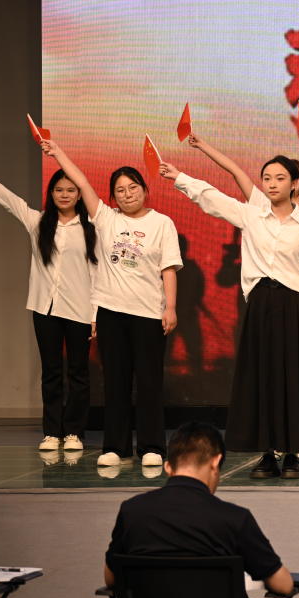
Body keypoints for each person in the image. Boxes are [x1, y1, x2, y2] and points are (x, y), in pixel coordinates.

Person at [160, 155, 299, 479]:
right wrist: (180, 177)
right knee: (261, 379)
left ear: (294, 184)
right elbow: (211, 199)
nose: (272, 184)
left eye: (280, 178)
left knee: (293, 380)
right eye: (267, 178)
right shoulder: (252, 215)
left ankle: (292, 453)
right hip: (261, 304)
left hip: (294, 306)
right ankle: (267, 453)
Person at [42, 140, 181, 469]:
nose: (127, 194)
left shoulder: (162, 223)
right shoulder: (105, 218)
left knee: (148, 383)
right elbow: (82, 181)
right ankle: (116, 448)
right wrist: (57, 153)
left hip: (148, 314)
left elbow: (168, 269)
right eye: (120, 190)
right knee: (116, 383)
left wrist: (170, 307)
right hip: (110, 313)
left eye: (133, 187)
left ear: (145, 190)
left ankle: (152, 447)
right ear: (113, 197)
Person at [0, 163, 97, 452]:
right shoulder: (38, 222)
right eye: (59, 190)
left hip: (80, 309)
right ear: (51, 194)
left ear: (79, 194)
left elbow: (97, 273)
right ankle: (52, 432)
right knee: (51, 372)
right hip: (44, 308)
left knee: (78, 373)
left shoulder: (91, 227)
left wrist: (95, 314)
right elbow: (6, 198)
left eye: (70, 190)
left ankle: (74, 432)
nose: (64, 195)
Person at [103, 420, 294, 596]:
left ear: (168, 467)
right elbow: (283, 585)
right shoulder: (235, 519)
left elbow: (111, 578)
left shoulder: (132, 512)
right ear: (216, 462)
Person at [182, 133, 299, 265]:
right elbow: (236, 171)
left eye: (283, 178)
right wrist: (202, 145)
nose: (275, 183)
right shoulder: (264, 205)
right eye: (272, 178)